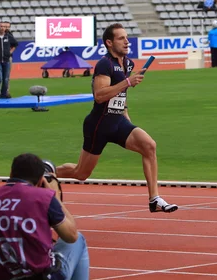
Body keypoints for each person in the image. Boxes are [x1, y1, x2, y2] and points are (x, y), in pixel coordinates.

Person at [55, 23, 178, 213]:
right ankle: (45, 172)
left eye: (127, 37)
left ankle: (154, 198)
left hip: (118, 121)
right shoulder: (105, 64)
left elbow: (121, 95)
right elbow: (100, 95)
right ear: (109, 43)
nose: (127, 41)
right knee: (81, 173)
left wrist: (126, 115)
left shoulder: (128, 63)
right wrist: (128, 82)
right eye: (121, 38)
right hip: (99, 125)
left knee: (149, 146)